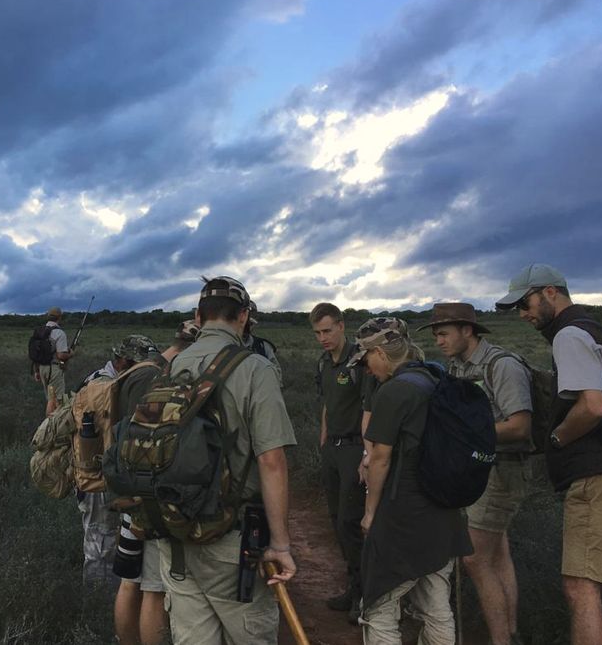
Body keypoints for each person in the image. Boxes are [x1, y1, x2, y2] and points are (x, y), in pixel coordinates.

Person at [496, 264, 602, 645]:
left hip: (595, 479)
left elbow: (593, 407)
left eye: (525, 303)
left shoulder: (569, 335)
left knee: (580, 585)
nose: (524, 314)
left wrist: (557, 439)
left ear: (550, 292)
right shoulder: (595, 329)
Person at [167, 276, 298, 645]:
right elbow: (272, 460)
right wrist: (281, 545)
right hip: (232, 538)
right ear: (243, 317)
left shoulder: (170, 366)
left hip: (173, 535)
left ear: (198, 316)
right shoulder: (256, 368)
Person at [350, 317, 472, 644]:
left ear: (379, 352)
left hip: (403, 513)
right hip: (444, 508)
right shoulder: (437, 377)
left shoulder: (394, 392)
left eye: (365, 359)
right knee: (435, 603)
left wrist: (370, 513)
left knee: (378, 605)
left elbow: (380, 457)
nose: (365, 368)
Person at [417, 302, 533, 645]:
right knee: (498, 555)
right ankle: (510, 634)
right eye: (436, 334)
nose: (438, 340)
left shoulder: (502, 365)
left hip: (503, 469)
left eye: (443, 333)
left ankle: (500, 639)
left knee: (475, 559)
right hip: (482, 468)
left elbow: (520, 426)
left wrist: (465, 433)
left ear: (467, 330)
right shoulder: (457, 367)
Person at [113, 320, 200, 645]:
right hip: (147, 495)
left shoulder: (132, 374)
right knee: (152, 589)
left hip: (126, 489)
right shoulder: (156, 378)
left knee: (128, 580)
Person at [78, 334, 159, 587]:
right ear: (124, 361)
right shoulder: (105, 387)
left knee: (108, 539)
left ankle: (109, 600)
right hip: (99, 476)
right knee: (100, 541)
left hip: (106, 473)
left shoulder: (104, 380)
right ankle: (95, 604)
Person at [310, 302, 372, 625]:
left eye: (328, 330)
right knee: (336, 519)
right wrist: (323, 437)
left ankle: (365, 597)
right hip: (332, 450)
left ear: (341, 326)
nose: (323, 338)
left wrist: (366, 453)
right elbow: (326, 404)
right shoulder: (323, 363)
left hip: (354, 448)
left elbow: (368, 408)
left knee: (351, 521)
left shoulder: (359, 361)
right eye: (318, 332)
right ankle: (353, 588)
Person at [35, 307, 73, 401]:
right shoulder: (59, 333)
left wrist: (36, 371)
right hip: (54, 369)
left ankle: (50, 416)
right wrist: (71, 354)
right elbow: (61, 356)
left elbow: (36, 352)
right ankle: (55, 416)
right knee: (58, 401)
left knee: (50, 400)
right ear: (59, 317)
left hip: (41, 368)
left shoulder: (40, 331)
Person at [243, 301, 284, 386]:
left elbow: (277, 373)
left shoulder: (263, 347)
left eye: (251, 324)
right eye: (245, 324)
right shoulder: (226, 345)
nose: (247, 328)